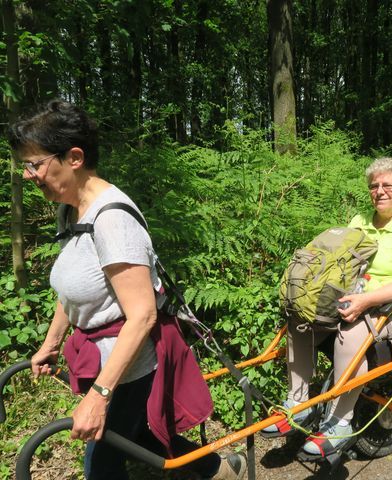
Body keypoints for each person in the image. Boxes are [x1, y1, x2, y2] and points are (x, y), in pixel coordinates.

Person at [9, 100, 246, 480]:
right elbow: (73, 289)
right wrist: (52, 343)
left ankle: (220, 469)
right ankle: (221, 469)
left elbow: (143, 315)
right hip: (104, 363)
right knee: (140, 440)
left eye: (34, 163)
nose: (27, 174)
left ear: (73, 157)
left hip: (131, 367)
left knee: (100, 466)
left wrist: (100, 397)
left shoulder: (112, 221)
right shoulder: (72, 212)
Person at [262, 157, 392, 457]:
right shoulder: (360, 222)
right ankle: (298, 403)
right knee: (300, 321)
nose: (379, 191)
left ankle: (340, 421)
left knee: (352, 330)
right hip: (354, 297)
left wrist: (366, 300)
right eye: (374, 186)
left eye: (387, 185)